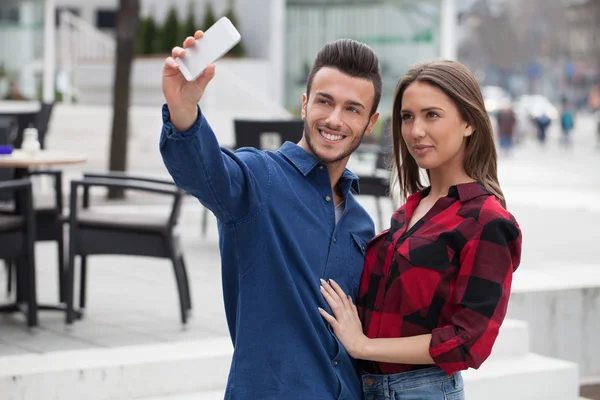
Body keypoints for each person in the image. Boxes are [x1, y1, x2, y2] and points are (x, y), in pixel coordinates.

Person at [160, 31, 381, 399]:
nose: (334, 119)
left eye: (352, 109)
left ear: (370, 123)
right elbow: (205, 171)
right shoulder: (258, 178)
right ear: (304, 104)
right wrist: (184, 111)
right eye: (324, 102)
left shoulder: (362, 223)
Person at [318, 60, 522, 400]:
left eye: (432, 115)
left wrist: (364, 345)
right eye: (407, 116)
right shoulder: (410, 210)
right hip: (362, 386)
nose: (415, 131)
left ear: (469, 122)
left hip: (421, 390)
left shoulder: (487, 220)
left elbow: (468, 341)